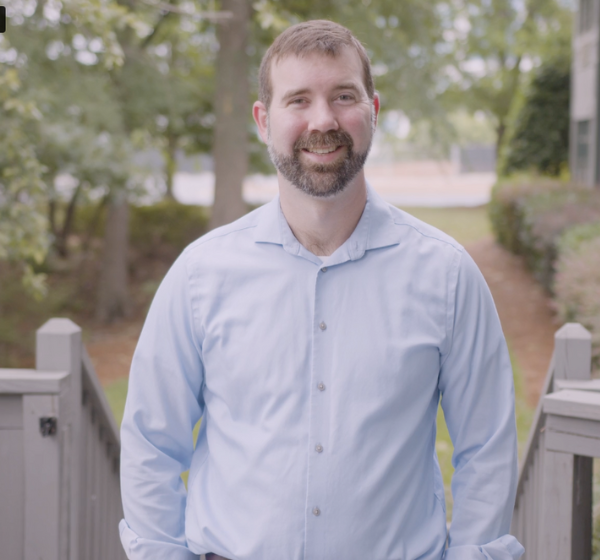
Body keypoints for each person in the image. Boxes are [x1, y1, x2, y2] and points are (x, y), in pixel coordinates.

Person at [119, 20, 524, 560]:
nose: (323, 120)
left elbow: (487, 449)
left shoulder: (446, 275)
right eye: (298, 100)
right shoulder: (201, 275)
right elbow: (152, 441)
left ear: (373, 110)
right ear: (264, 121)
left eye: (343, 96)